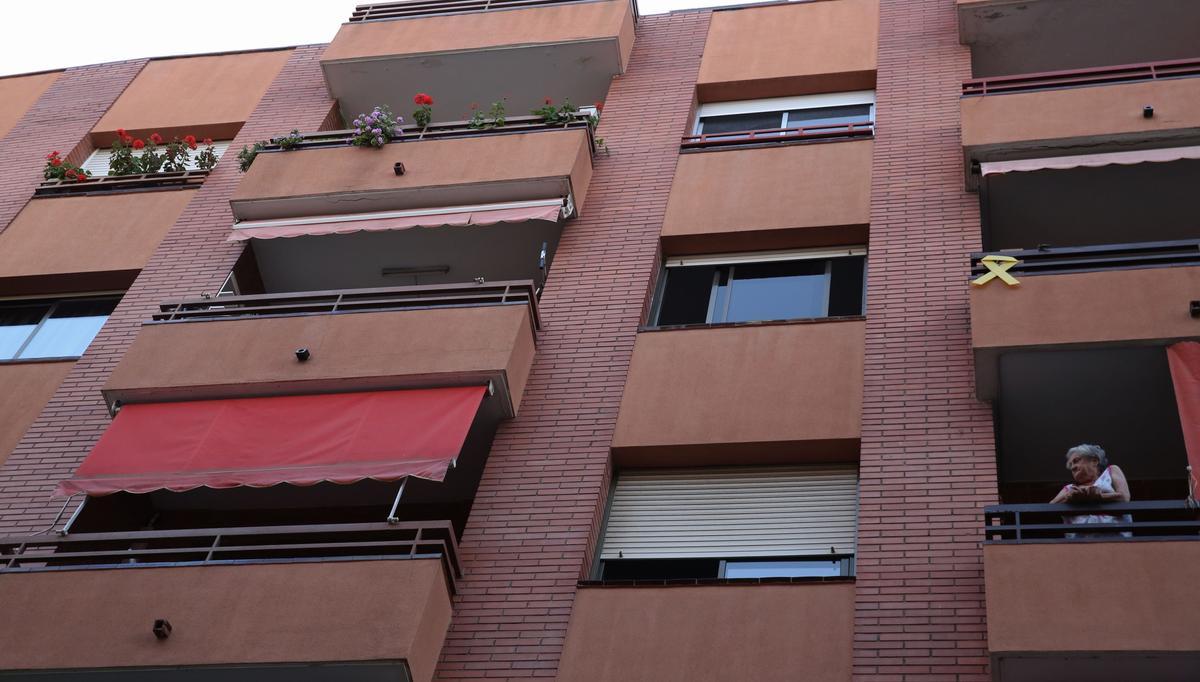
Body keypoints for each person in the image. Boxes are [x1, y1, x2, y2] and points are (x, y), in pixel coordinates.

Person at [1049, 444, 1131, 537]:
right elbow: (1051, 508)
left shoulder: (1111, 471)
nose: (1073, 467)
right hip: (1080, 543)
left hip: (1116, 538)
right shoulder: (1070, 488)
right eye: (1071, 465)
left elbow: (1124, 497)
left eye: (1076, 461)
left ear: (1094, 461)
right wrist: (1069, 497)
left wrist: (1098, 497)